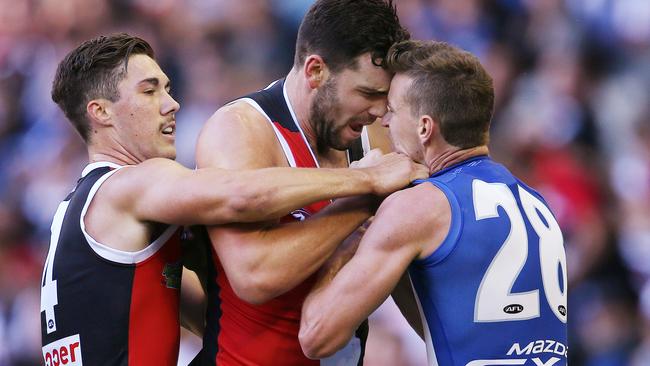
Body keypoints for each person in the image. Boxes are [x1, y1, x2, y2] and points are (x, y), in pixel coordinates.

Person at [39, 33, 425, 366]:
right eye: (149, 90)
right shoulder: (130, 185)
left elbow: (205, 316)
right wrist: (366, 180)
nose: (171, 103)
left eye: (168, 88)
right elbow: (241, 194)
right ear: (101, 112)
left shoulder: (76, 210)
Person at [299, 40, 569, 366]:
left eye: (393, 111)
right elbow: (449, 327)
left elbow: (316, 336)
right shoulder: (536, 202)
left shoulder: (420, 207)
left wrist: (351, 224)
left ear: (425, 127)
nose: (383, 122)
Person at [194, 0, 412, 364]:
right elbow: (254, 276)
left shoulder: (372, 137)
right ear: (315, 71)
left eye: (384, 99)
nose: (378, 111)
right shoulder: (241, 129)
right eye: (368, 94)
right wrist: (365, 193)